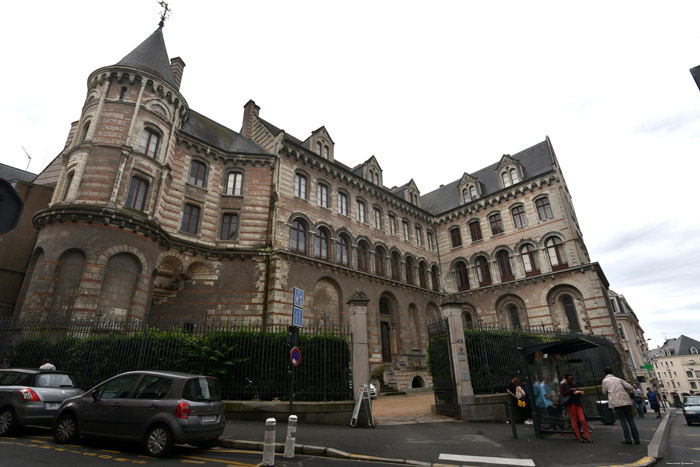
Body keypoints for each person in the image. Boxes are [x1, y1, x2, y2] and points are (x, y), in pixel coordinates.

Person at [601, 367, 640, 445]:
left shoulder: (605, 381)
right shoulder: (618, 379)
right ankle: (637, 439)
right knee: (630, 419)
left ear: (605, 373)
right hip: (625, 400)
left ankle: (628, 439)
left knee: (623, 420)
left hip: (616, 402)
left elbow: (604, 392)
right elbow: (629, 387)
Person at [560, 374, 592, 443]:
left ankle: (586, 436)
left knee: (582, 420)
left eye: (572, 379)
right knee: (575, 420)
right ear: (567, 379)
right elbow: (563, 393)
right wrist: (571, 390)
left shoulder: (573, 385)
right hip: (571, 404)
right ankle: (580, 437)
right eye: (570, 379)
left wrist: (578, 392)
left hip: (576, 403)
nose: (572, 380)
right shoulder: (564, 385)